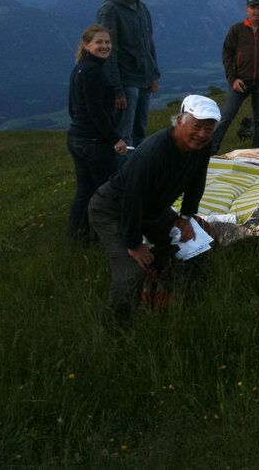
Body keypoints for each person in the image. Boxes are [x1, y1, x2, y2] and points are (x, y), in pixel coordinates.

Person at [88, 95, 221, 323]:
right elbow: (132, 198)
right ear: (180, 121)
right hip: (112, 209)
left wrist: (185, 218)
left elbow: (197, 181)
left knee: (193, 247)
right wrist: (134, 244)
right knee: (132, 271)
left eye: (208, 129)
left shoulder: (202, 148)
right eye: (197, 126)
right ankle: (117, 326)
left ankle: (185, 300)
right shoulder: (155, 152)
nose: (202, 134)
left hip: (151, 209)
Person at [66, 24, 128, 244]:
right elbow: (96, 111)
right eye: (99, 42)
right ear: (86, 45)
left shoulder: (80, 68)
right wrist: (115, 139)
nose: (104, 46)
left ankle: (77, 237)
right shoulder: (93, 71)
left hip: (77, 137)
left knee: (85, 191)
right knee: (108, 191)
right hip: (93, 142)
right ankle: (108, 238)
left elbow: (73, 106)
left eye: (107, 42)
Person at [96, 0, 160, 148]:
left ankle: (138, 165)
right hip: (126, 83)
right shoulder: (110, 10)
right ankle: (122, 166)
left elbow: (149, 43)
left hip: (144, 80)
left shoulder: (142, 8)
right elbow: (108, 52)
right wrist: (117, 90)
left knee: (140, 131)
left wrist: (154, 74)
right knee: (124, 135)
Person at [211, 0, 259, 153]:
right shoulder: (236, 30)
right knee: (226, 117)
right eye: (253, 8)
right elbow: (227, 54)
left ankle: (257, 153)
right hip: (240, 82)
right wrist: (232, 79)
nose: (256, 11)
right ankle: (210, 151)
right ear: (247, 10)